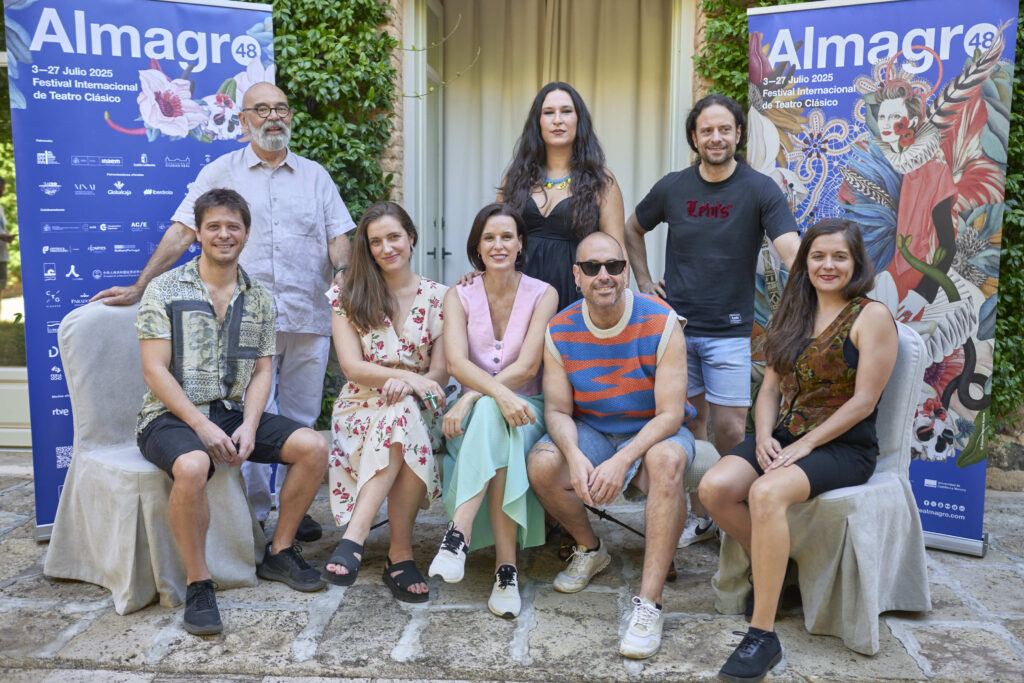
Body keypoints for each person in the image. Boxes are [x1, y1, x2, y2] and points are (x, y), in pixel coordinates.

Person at [91, 82, 355, 540]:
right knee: (250, 415)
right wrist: (141, 285)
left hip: (308, 316)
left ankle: (291, 508)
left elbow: (338, 236)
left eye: (282, 109)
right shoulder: (220, 170)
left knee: (301, 417)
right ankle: (251, 516)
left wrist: (345, 271)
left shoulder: (316, 177)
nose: (274, 117)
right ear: (244, 119)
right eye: (262, 109)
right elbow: (183, 231)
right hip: (243, 322)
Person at [698, 219, 897, 683]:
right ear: (805, 262)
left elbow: (863, 402)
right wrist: (765, 435)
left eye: (839, 257)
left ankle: (762, 635)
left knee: (766, 493)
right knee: (715, 488)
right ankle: (777, 565)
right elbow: (769, 388)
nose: (828, 265)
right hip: (786, 437)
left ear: (856, 263)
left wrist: (804, 444)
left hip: (843, 447)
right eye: (818, 256)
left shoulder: (871, 317)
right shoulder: (793, 312)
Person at [135, 188, 329, 636]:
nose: (224, 235)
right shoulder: (165, 289)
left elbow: (264, 372)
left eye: (233, 227)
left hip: (231, 412)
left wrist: (250, 424)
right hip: (168, 416)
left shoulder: (259, 297)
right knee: (193, 463)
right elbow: (154, 371)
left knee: (313, 446)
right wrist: (200, 425)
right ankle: (199, 582)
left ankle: (279, 551)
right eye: (214, 227)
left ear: (246, 234)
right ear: (198, 234)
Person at [624, 93, 800, 548]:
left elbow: (788, 248)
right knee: (690, 425)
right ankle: (704, 517)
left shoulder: (760, 189)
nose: (716, 137)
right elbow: (632, 228)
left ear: (738, 135)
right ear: (694, 137)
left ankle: (732, 503)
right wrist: (644, 282)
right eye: (707, 130)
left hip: (729, 331)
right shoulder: (673, 187)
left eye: (725, 129)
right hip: (677, 329)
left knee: (729, 429)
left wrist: (814, 278)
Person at [527, 232, 695, 659]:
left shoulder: (661, 321)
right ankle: (590, 547)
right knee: (544, 464)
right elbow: (559, 411)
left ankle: (648, 603)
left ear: (626, 271)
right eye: (591, 268)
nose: (604, 276)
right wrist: (576, 455)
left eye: (614, 266)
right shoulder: (560, 328)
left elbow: (671, 415)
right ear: (576, 276)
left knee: (666, 461)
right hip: (594, 429)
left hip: (654, 429)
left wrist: (623, 460)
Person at [427, 203, 558, 619]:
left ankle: (457, 535)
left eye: (507, 236)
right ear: (477, 246)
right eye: (489, 237)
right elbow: (457, 364)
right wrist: (480, 397)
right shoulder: (458, 293)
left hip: (527, 407)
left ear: (521, 244)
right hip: (484, 412)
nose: (498, 245)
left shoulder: (544, 293)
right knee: (490, 417)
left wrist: (470, 396)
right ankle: (506, 571)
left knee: (488, 412)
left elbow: (528, 367)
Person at [322, 201, 448, 603]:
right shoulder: (348, 295)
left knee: (404, 413)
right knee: (399, 416)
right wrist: (406, 376)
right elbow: (352, 367)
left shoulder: (441, 298)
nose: (386, 247)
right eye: (375, 241)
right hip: (360, 406)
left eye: (394, 237)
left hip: (419, 405)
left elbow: (441, 374)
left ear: (411, 238)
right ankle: (400, 556)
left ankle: (354, 539)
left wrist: (411, 385)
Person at [0, 177, 14, 319]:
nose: (3, 191)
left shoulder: (1, 208)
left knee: (1, 288)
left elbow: (3, 228)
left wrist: (7, 236)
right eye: (1, 187)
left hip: (2, 255)